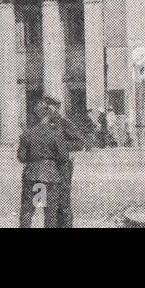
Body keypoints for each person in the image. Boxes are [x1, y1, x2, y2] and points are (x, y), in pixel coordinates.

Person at [18, 98, 69, 228]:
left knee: (28, 211)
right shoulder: (56, 134)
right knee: (50, 213)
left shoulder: (27, 134)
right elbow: (64, 157)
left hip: (31, 176)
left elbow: (21, 157)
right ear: (49, 116)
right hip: (51, 177)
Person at [45, 96, 83, 228]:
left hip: (62, 168)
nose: (46, 110)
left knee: (63, 202)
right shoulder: (40, 125)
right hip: (45, 168)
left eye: (49, 107)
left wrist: (59, 145)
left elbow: (79, 142)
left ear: (56, 108)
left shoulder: (64, 123)